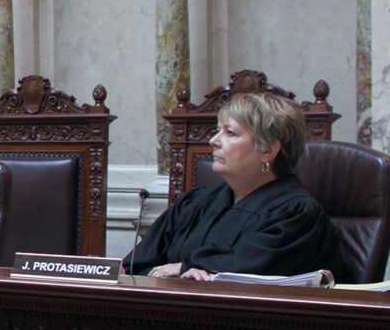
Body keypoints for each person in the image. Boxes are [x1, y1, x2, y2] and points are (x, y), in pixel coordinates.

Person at [125, 91, 344, 280]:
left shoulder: (296, 214)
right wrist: (164, 274)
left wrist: (185, 268)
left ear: (268, 150)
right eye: (217, 130)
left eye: (230, 133)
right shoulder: (195, 204)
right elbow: (136, 265)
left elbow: (250, 273)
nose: (213, 140)